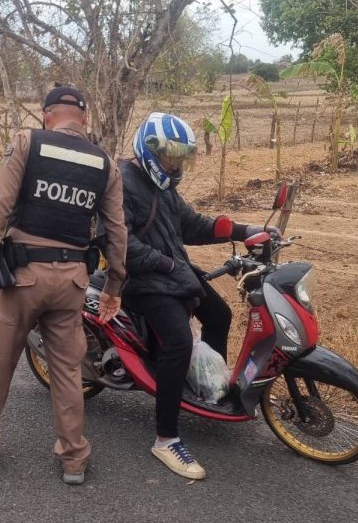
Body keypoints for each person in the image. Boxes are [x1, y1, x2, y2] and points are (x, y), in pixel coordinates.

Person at [0, 86, 128, 485]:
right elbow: (116, 230)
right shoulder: (105, 163)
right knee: (68, 369)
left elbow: (0, 205)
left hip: (24, 277)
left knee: (0, 362)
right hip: (73, 280)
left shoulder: (28, 142)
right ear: (84, 119)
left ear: (46, 114)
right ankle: (74, 457)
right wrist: (115, 283)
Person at [119, 112, 276, 480]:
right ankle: (165, 439)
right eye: (168, 157)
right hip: (139, 280)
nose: (174, 165)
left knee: (219, 315)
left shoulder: (161, 186)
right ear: (149, 149)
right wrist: (166, 264)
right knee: (178, 342)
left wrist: (247, 230)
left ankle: (207, 387)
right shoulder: (122, 183)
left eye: (180, 158)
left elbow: (192, 225)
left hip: (170, 271)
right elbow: (120, 243)